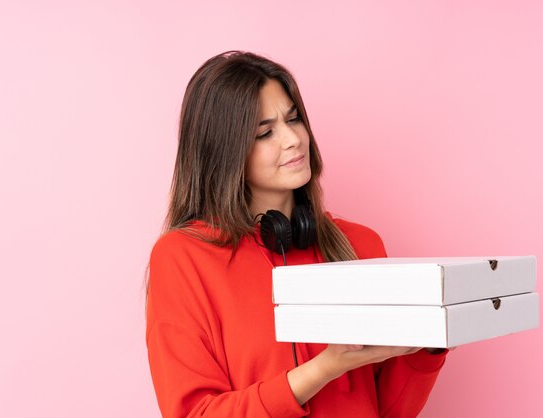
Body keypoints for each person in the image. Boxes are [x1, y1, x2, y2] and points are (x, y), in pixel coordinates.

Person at [145, 50, 449, 418]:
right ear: (223, 152)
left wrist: (429, 344)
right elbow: (195, 413)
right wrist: (324, 368)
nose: (293, 139)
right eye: (265, 132)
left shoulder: (361, 244)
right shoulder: (183, 257)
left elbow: (389, 410)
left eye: (294, 119)